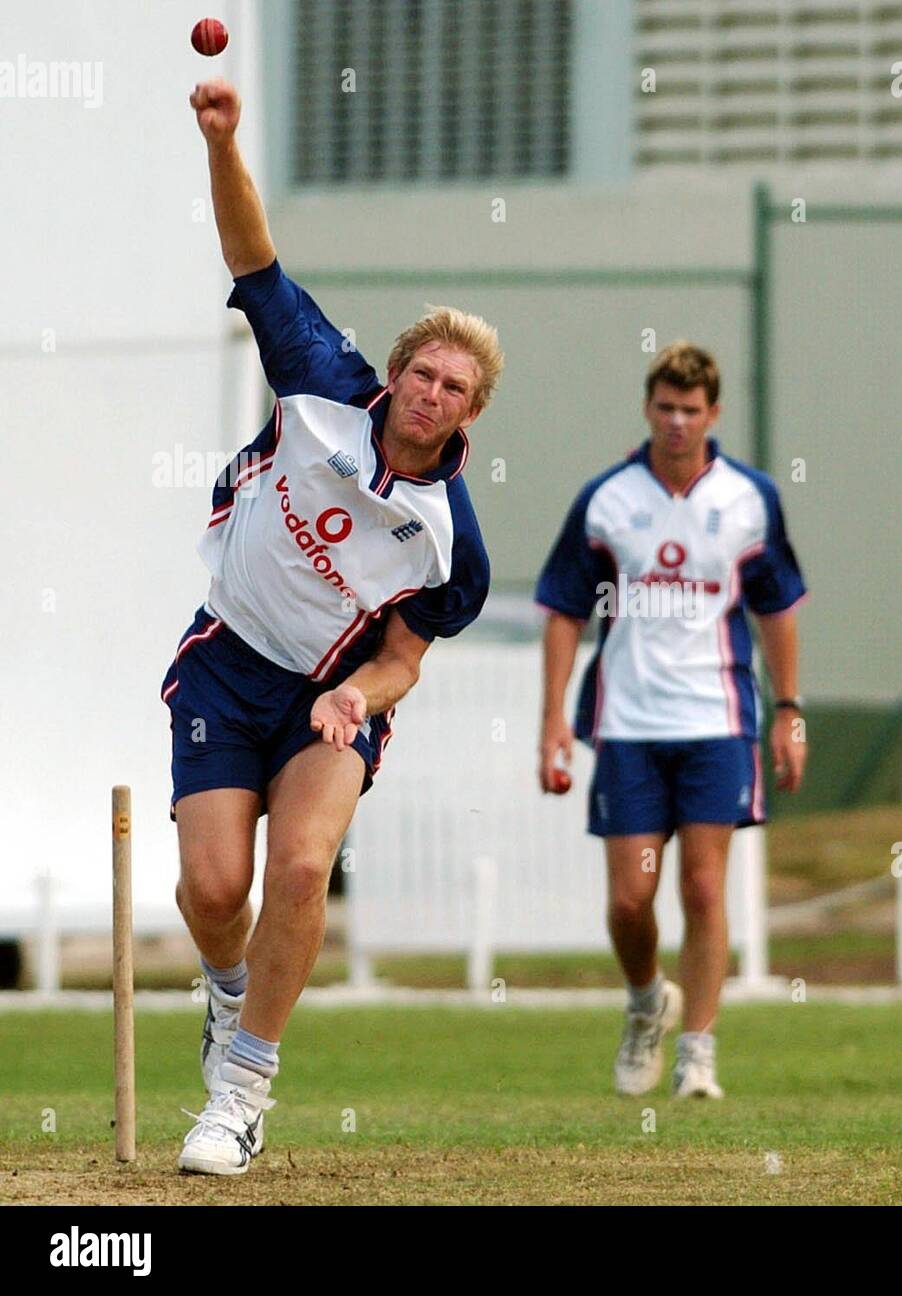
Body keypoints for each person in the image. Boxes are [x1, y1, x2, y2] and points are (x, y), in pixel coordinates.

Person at [162, 79, 499, 1174]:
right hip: (226, 663)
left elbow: (406, 659)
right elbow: (253, 255)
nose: (431, 393)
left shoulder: (451, 542)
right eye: (422, 372)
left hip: (326, 707)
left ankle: (242, 1092)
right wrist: (223, 141)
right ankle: (225, 993)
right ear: (393, 374)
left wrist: (360, 695)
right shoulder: (316, 383)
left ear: (471, 412)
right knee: (215, 893)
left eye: (455, 387)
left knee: (300, 871)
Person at [534, 343, 807, 1099]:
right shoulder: (608, 498)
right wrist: (553, 718)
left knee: (703, 887)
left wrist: (789, 712)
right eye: (666, 408)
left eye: (692, 410)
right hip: (627, 724)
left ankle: (699, 1052)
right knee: (629, 900)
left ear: (713, 414)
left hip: (717, 721)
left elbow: (778, 607)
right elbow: (561, 608)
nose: (678, 422)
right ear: (648, 408)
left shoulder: (749, 498)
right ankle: (647, 999)